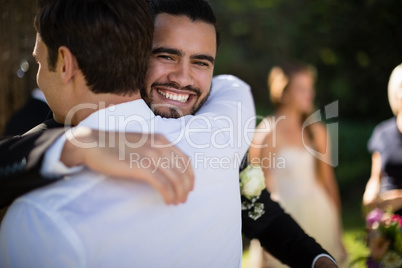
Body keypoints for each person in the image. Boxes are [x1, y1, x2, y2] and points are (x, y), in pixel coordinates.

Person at [0, 0, 337, 267]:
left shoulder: (219, 119)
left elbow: (256, 208)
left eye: (201, 63)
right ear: (133, 55)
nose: (182, 78)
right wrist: (75, 144)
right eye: (165, 55)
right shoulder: (63, 127)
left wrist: (316, 259)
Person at [249, 62, 346, 266]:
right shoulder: (267, 133)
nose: (309, 94)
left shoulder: (317, 131)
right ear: (283, 93)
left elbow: (328, 179)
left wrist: (338, 228)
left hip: (320, 213)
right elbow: (260, 190)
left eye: (310, 88)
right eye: (301, 88)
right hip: (285, 216)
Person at [363, 63, 402, 215]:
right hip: (388, 219)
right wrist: (370, 196)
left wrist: (399, 198)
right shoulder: (382, 133)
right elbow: (376, 177)